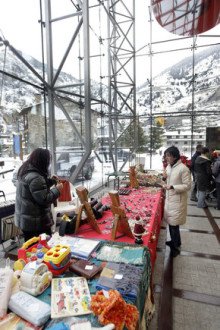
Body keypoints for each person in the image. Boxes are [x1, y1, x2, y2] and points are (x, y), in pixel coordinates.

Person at [14, 148, 63, 241]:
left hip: (27, 221)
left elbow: (35, 191)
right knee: (41, 249)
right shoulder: (36, 177)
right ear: (43, 161)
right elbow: (44, 199)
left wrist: (50, 181)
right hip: (36, 223)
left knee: (30, 248)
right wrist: (57, 189)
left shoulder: (25, 171)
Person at [162, 146, 191, 257]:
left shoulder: (183, 168)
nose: (166, 158)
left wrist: (173, 187)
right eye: (166, 156)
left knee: (174, 224)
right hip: (170, 199)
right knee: (171, 222)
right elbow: (166, 179)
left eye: (168, 156)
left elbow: (188, 186)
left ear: (175, 156)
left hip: (177, 200)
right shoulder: (169, 166)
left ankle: (175, 249)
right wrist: (164, 178)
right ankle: (176, 242)